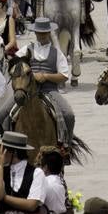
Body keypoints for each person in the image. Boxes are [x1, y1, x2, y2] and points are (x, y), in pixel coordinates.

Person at [22, 17, 74, 146]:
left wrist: (46, 76)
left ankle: (67, 145)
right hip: (28, 90)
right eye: (39, 32)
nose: (42, 35)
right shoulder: (26, 49)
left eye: (44, 32)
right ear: (35, 33)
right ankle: (6, 143)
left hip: (49, 90)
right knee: (4, 113)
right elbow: (16, 65)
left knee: (68, 114)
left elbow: (64, 75)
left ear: (49, 33)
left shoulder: (56, 53)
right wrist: (31, 75)